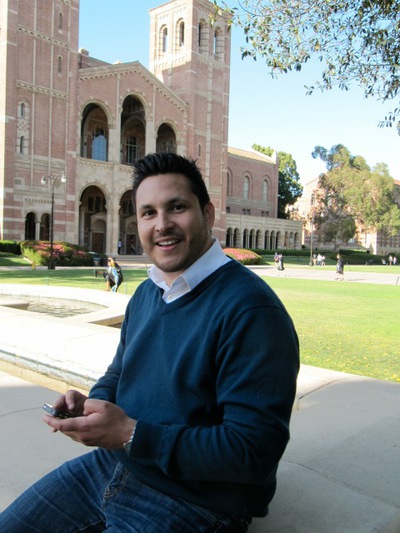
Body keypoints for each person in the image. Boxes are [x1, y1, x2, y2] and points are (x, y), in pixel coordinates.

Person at [0, 153, 299, 532]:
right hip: (114, 465)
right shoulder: (147, 292)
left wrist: (130, 433)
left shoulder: (251, 311)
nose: (162, 224)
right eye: (148, 212)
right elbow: (119, 372)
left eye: (176, 207)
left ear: (207, 214)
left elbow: (254, 451)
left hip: (198, 501)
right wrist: (93, 404)